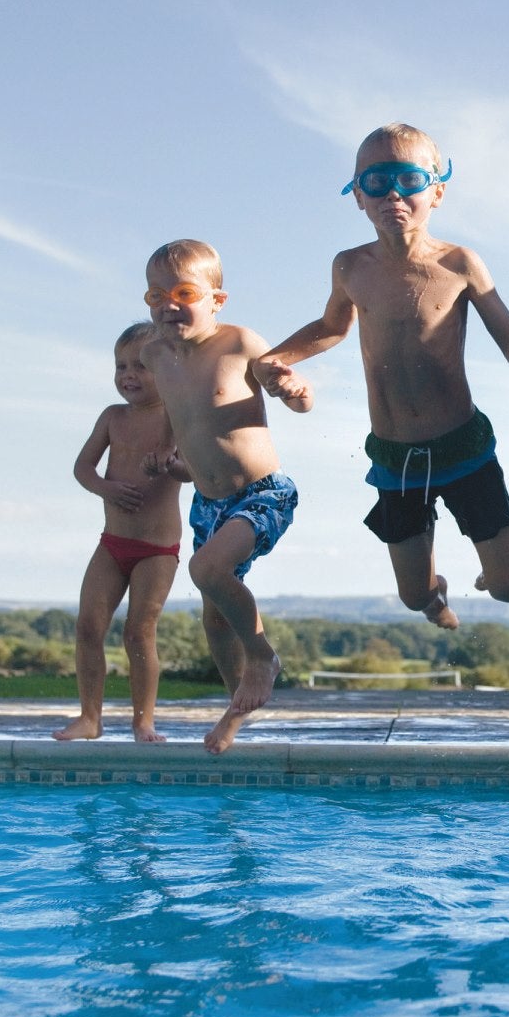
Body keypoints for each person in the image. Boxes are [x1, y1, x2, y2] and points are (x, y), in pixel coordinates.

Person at [253, 123, 509, 629]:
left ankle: (487, 574)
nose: (393, 192)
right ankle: (435, 593)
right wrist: (275, 358)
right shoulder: (350, 267)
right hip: (398, 457)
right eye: (375, 181)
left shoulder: (459, 263)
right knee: (413, 596)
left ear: (436, 191)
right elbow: (331, 328)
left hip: (463, 448)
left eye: (409, 179)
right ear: (358, 199)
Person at [138, 240, 310, 753]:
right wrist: (171, 455)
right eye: (155, 296)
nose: (169, 305)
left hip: (263, 494)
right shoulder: (154, 354)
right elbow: (179, 414)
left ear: (217, 299)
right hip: (208, 504)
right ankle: (235, 714)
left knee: (207, 571)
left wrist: (294, 390)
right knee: (215, 615)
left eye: (184, 292)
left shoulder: (240, 343)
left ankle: (262, 657)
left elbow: (299, 401)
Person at [54, 323, 188, 743]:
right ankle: (89, 718)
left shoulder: (176, 417)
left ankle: (142, 721)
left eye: (140, 367)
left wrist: (169, 466)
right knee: (88, 626)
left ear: (166, 369)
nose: (128, 374)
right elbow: (82, 468)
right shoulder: (113, 418)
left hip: (157, 549)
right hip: (112, 545)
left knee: (138, 631)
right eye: (121, 366)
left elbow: (195, 473)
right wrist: (106, 487)